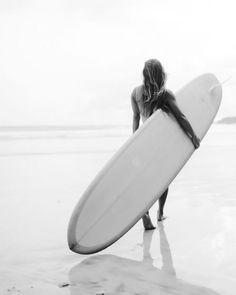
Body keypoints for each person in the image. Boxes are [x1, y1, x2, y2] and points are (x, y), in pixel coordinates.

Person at [131, 59, 200, 230]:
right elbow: (180, 117)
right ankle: (160, 213)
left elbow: (135, 118)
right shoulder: (165, 94)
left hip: (142, 142)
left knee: (145, 180)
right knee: (164, 179)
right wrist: (193, 137)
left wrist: (134, 142)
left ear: (144, 74)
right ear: (161, 74)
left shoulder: (135, 93)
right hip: (160, 144)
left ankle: (145, 212)